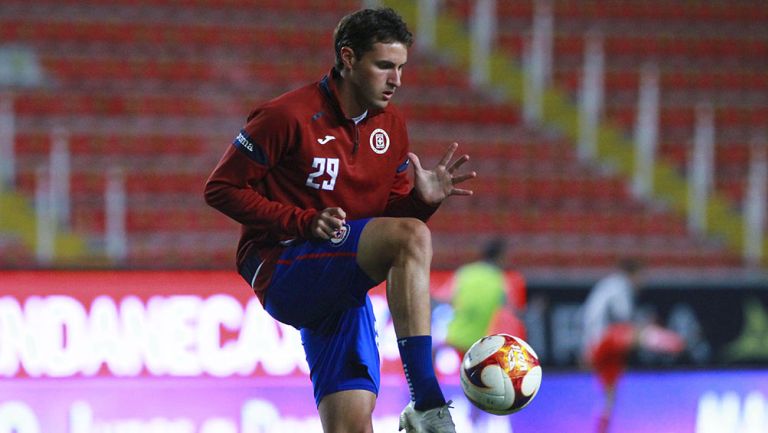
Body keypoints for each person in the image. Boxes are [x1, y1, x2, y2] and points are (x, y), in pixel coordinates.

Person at [204, 8, 476, 433]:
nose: (396, 80)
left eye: (401, 67)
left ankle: (417, 406)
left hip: (338, 283)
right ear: (348, 59)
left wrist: (421, 203)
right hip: (283, 267)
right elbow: (220, 189)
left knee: (351, 426)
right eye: (384, 65)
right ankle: (426, 401)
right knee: (412, 237)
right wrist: (302, 221)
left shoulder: (391, 128)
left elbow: (384, 228)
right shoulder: (286, 116)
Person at [581, 257, 684, 433]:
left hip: (599, 346)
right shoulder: (619, 285)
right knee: (637, 333)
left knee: (609, 396)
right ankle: (663, 340)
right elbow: (623, 318)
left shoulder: (610, 284)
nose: (643, 281)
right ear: (633, 274)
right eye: (642, 276)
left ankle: (601, 429)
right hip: (602, 340)